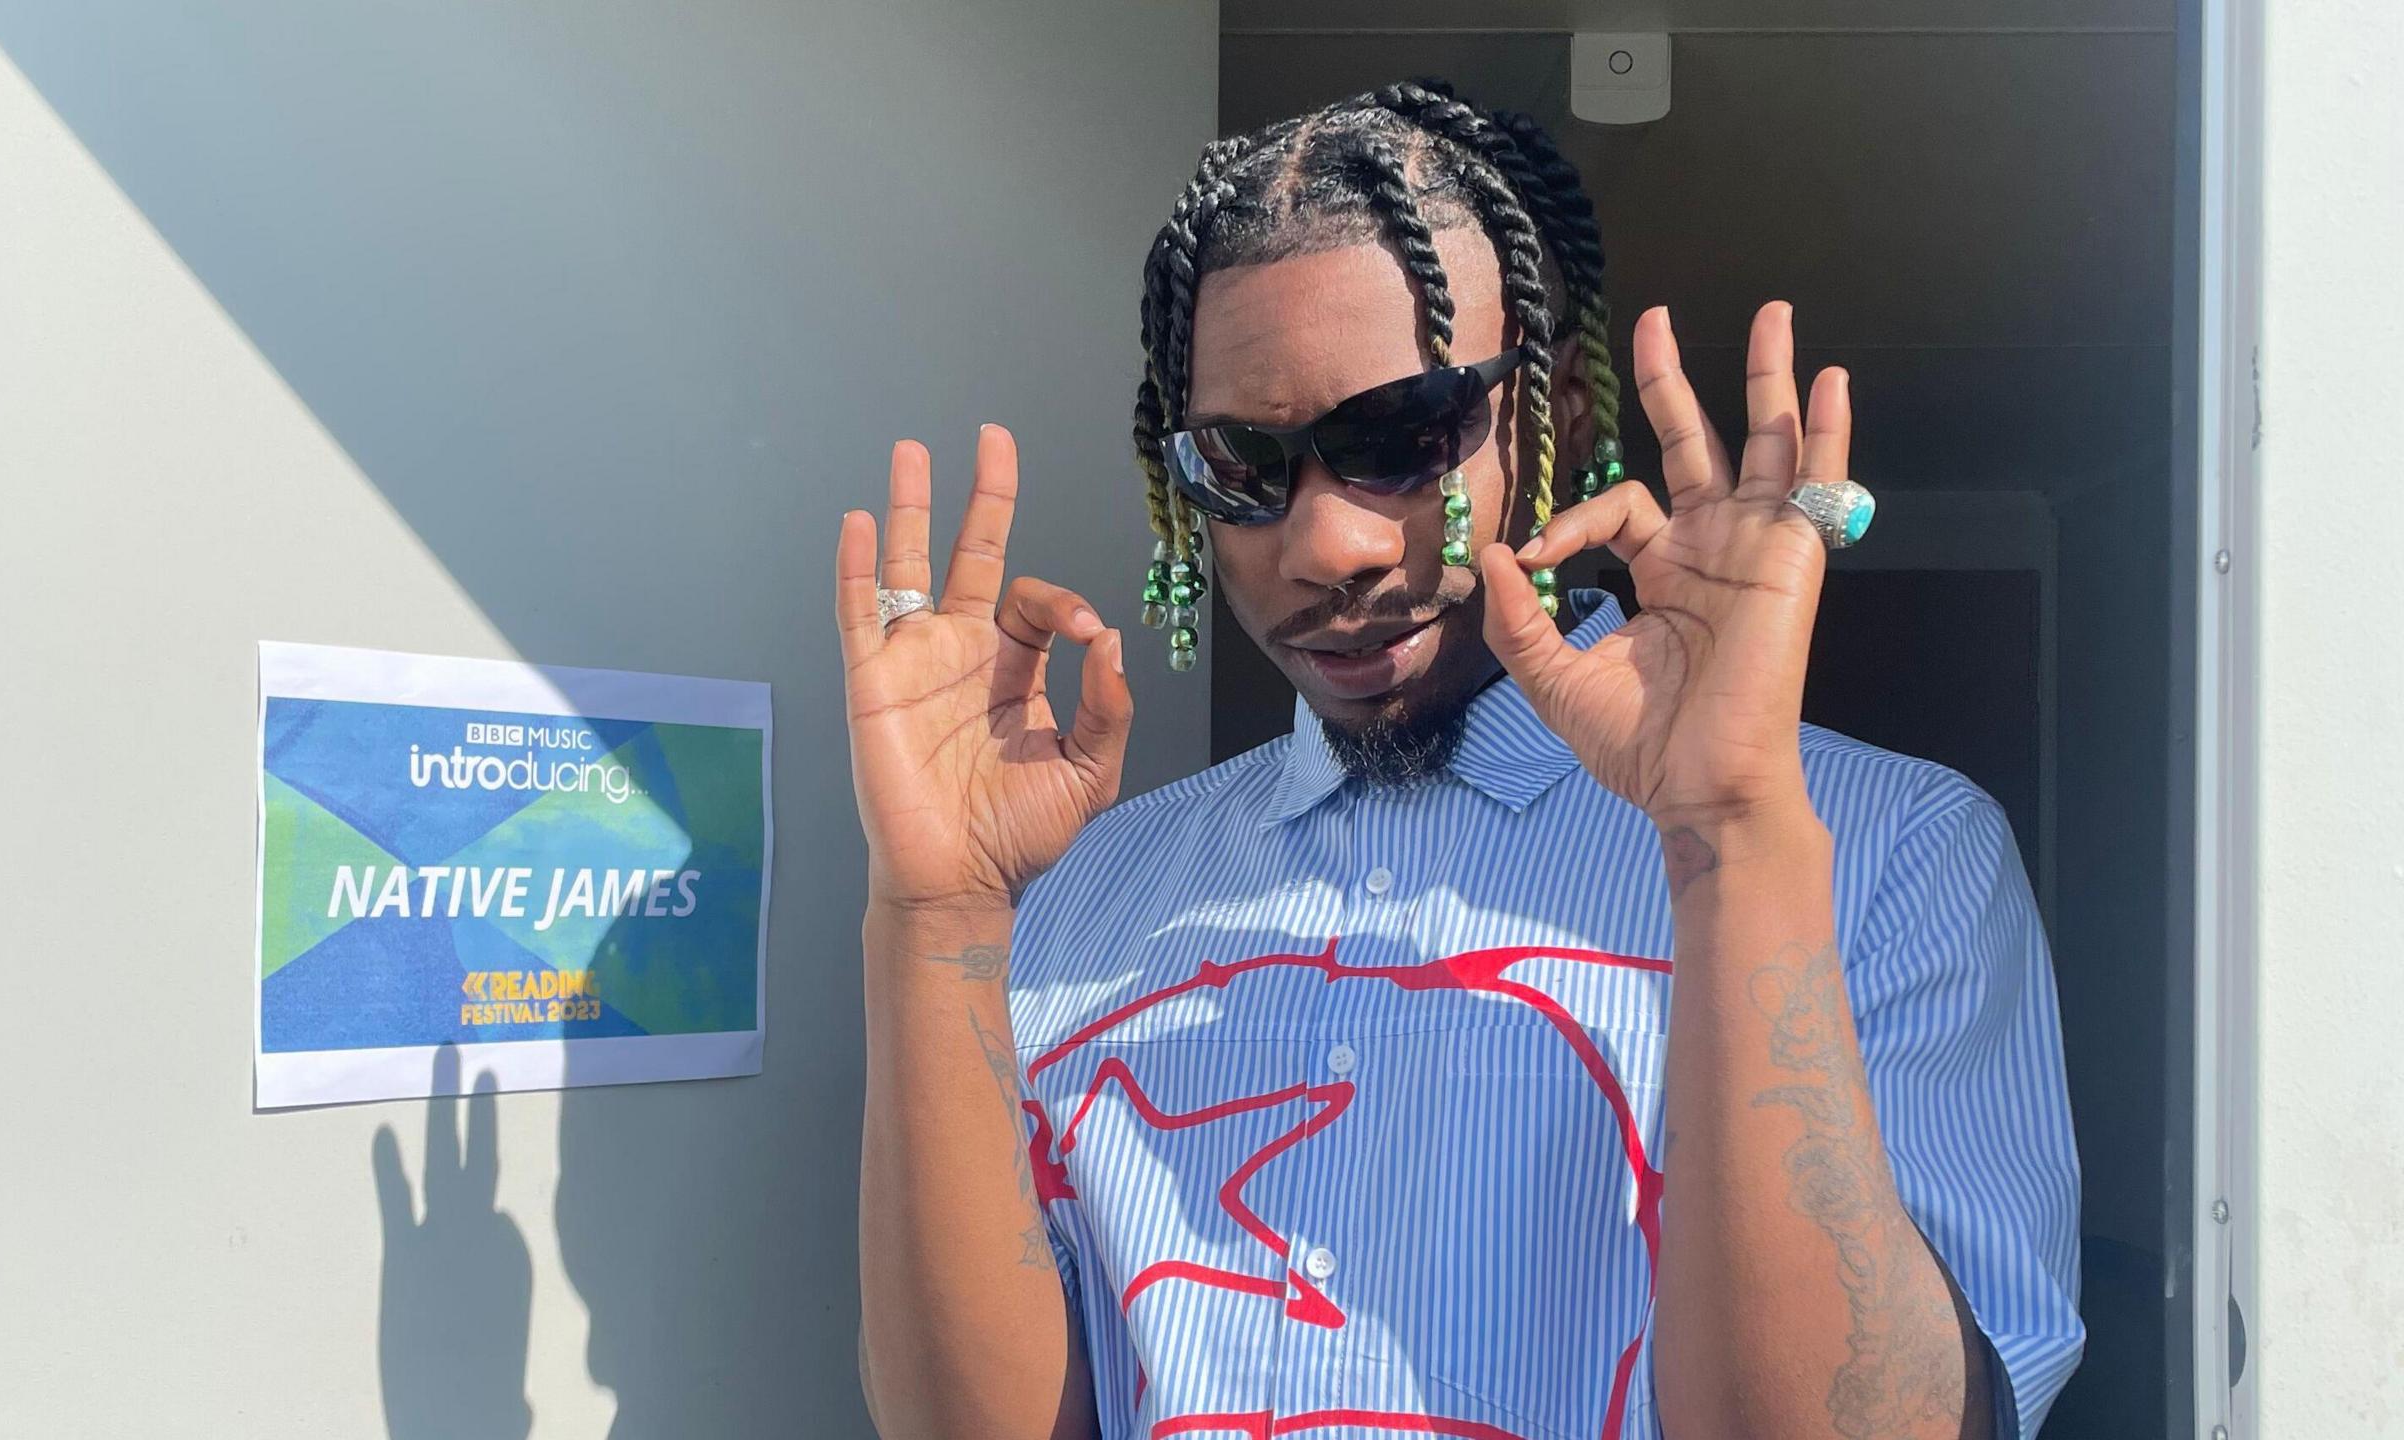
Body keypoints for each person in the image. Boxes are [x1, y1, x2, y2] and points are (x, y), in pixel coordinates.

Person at [842, 82, 2082, 1440]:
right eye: (1246, 465)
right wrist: (939, 918)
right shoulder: (1082, 895)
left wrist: (1728, 836)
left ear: (1546, 410)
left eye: (1403, 435)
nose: (1331, 546)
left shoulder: (1891, 850)